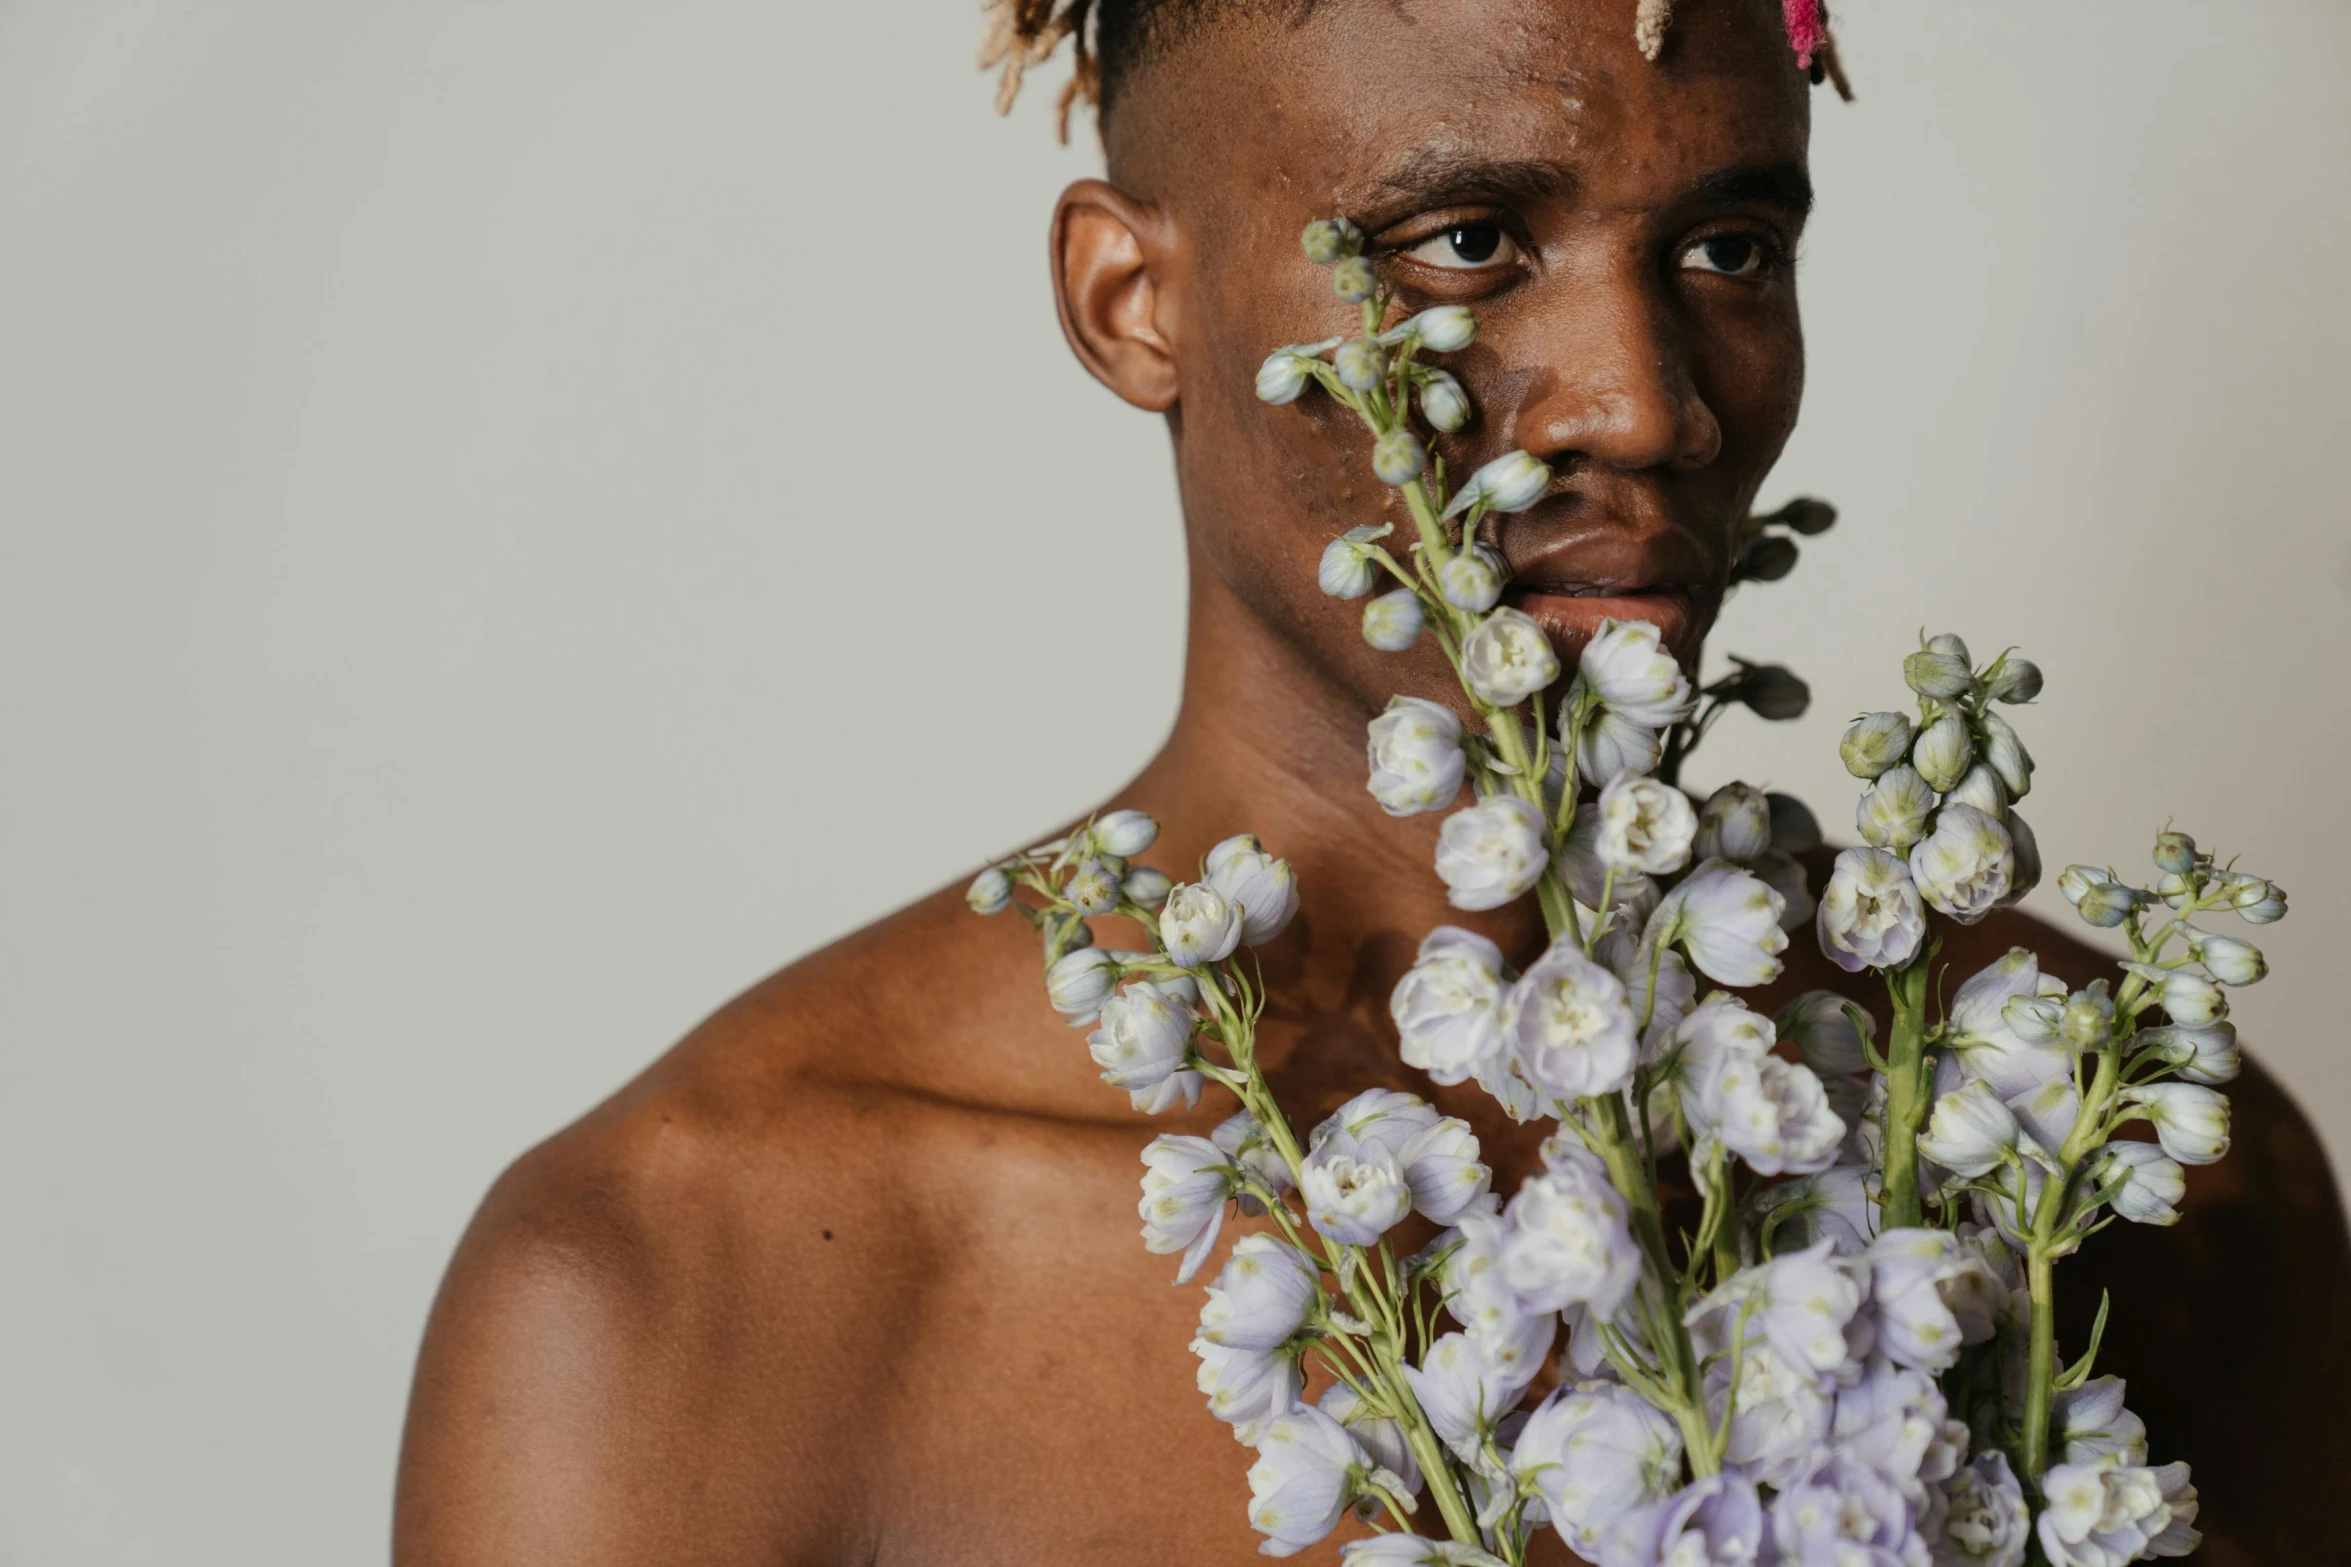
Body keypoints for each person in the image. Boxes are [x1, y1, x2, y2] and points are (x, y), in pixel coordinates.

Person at [392, 2, 2350, 1562]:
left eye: (1727, 246)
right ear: (1127, 301)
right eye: (1467, 243)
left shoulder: (2109, 1156)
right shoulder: (688, 1286)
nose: (1641, 401)